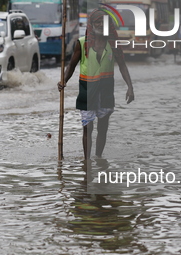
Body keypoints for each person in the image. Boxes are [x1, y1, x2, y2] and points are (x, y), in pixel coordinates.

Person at [57, 8, 134, 160]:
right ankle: (87, 162)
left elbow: (122, 65)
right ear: (91, 25)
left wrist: (130, 87)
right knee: (87, 128)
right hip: (87, 91)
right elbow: (71, 65)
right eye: (97, 21)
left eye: (103, 22)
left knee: (103, 128)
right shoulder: (82, 43)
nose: (100, 24)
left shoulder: (113, 44)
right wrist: (63, 81)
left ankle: (98, 158)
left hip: (105, 92)